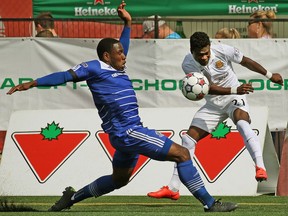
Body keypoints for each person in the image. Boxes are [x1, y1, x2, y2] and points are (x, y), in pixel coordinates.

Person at [6, 2, 237, 213]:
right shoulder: (95, 67)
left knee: (120, 180)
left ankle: (72, 197)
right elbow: (65, 76)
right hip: (128, 132)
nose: (124, 56)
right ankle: (210, 203)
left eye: (123, 52)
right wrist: (34, 83)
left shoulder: (116, 66)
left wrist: (127, 23)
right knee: (182, 153)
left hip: (123, 135)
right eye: (119, 53)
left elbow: (121, 45)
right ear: (107, 56)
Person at [147, 31, 283, 200]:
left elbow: (246, 61)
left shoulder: (222, 50)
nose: (204, 57)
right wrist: (235, 89)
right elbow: (207, 88)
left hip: (235, 98)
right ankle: (174, 188)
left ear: (210, 47)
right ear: (192, 51)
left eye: (206, 53)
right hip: (214, 104)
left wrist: (270, 75)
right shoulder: (188, 63)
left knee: (241, 123)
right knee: (188, 139)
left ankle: (260, 166)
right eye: (199, 55)